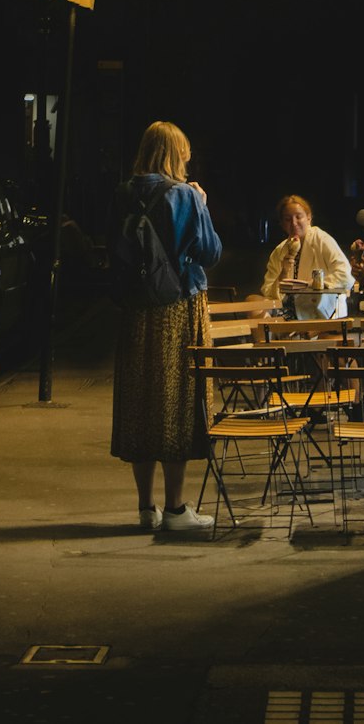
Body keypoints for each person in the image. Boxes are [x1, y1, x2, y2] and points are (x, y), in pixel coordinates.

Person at [107, 120, 222, 533]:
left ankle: (145, 507)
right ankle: (176, 509)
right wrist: (202, 205)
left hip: (136, 314)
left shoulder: (123, 193)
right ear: (176, 154)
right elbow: (209, 251)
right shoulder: (184, 194)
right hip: (178, 308)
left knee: (142, 402)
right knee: (177, 401)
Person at [255, 194, 354, 318]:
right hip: (287, 307)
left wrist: (312, 284)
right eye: (287, 219)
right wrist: (283, 272)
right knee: (253, 302)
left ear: (309, 218)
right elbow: (268, 291)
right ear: (282, 223)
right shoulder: (280, 251)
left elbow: (345, 275)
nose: (294, 223)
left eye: (298, 217)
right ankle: (267, 336)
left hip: (318, 309)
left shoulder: (322, 240)